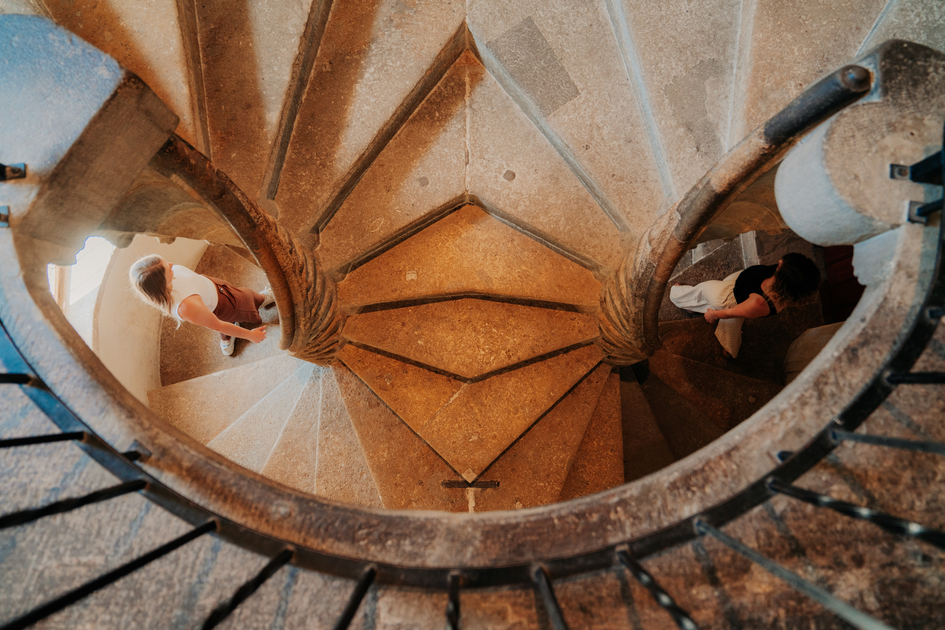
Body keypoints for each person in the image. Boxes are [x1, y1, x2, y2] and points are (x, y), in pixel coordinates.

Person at [669, 252, 821, 358]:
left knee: (703, 291)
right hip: (740, 285)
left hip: (729, 298)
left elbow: (731, 312)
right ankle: (729, 350)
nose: (779, 262)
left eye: (782, 265)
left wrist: (712, 314)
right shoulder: (787, 287)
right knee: (732, 325)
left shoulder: (759, 303)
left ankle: (680, 295)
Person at [129, 255, 273, 356]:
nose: (171, 264)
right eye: (167, 268)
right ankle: (262, 299)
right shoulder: (186, 305)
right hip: (221, 304)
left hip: (210, 288)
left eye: (166, 262)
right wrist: (250, 335)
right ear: (162, 284)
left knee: (222, 318)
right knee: (246, 299)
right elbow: (218, 324)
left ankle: (227, 339)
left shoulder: (170, 283)